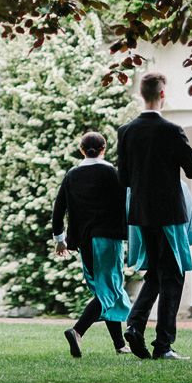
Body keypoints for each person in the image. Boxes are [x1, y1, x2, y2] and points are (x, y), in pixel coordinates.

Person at [117, 72, 192, 360]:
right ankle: (163, 345)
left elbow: (124, 178)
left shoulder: (125, 131)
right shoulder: (172, 130)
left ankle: (135, 325)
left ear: (142, 94)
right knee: (174, 276)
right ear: (163, 94)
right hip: (169, 214)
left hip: (140, 214)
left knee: (155, 272)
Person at [51, 131, 131, 358]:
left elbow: (58, 211)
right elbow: (126, 204)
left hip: (84, 241)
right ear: (104, 148)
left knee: (103, 288)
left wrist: (60, 240)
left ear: (81, 149)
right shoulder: (112, 173)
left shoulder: (71, 175)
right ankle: (77, 331)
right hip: (108, 239)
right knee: (111, 288)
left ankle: (119, 345)